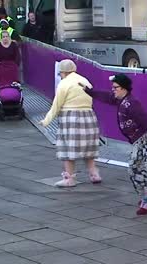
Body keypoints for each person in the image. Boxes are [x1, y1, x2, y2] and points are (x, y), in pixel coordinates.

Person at [83, 73, 147, 215]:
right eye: (113, 87)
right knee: (139, 168)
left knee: (138, 168)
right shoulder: (121, 100)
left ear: (124, 89)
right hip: (139, 140)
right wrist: (90, 92)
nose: (113, 90)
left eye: (116, 87)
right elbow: (106, 97)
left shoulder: (131, 103)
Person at [39, 59, 102, 187]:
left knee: (68, 149)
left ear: (63, 72)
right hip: (89, 116)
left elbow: (57, 105)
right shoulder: (85, 80)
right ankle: (94, 174)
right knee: (89, 147)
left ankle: (69, 178)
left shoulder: (64, 83)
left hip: (71, 117)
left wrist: (46, 121)